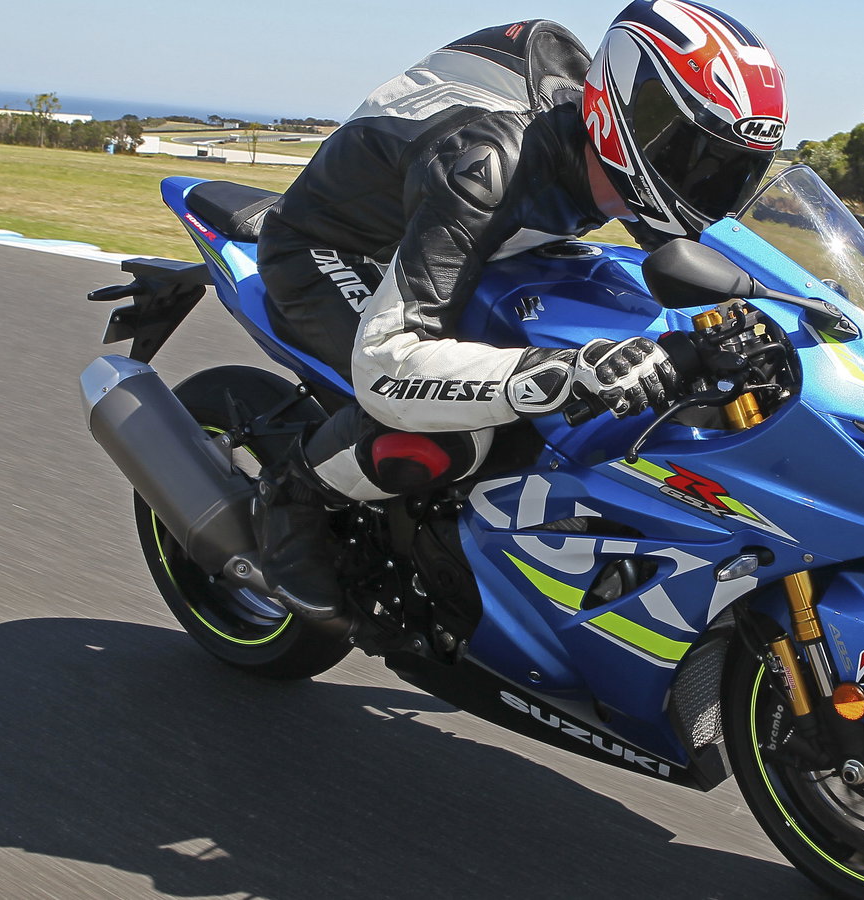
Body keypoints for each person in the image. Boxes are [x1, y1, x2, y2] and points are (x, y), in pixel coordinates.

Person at [252, 0, 788, 615]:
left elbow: (713, 266)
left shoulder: (621, 153)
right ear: (632, 115)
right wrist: (564, 373)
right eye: (699, 158)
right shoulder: (488, 167)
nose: (715, 188)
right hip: (337, 250)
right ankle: (291, 498)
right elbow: (387, 363)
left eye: (738, 171)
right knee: (458, 425)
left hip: (476, 247)